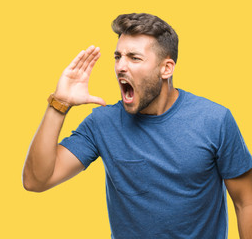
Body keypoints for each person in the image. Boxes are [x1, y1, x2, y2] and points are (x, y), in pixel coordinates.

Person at [23, 13, 252, 238]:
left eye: (134, 57)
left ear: (166, 69)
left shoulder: (214, 120)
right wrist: (59, 104)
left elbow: (246, 202)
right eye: (118, 56)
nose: (120, 67)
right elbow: (36, 180)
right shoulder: (102, 123)